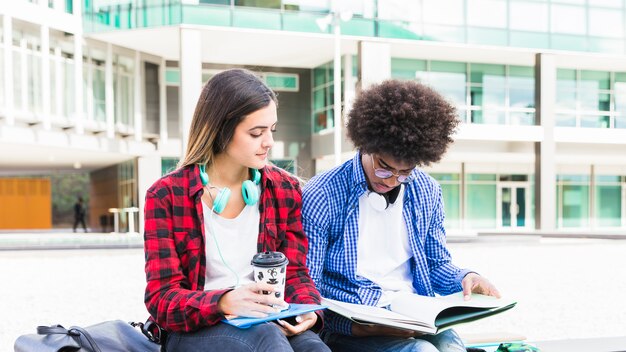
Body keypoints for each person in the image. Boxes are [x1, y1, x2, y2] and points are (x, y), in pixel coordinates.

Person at [302, 79, 501, 352]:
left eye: (405, 172)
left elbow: (436, 265)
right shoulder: (323, 193)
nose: (392, 180)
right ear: (367, 145)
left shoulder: (427, 191)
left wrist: (466, 277)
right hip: (353, 325)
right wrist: (355, 327)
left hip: (413, 314)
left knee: (450, 343)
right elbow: (308, 284)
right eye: (384, 168)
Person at [143, 69, 329, 352]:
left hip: (268, 319)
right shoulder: (167, 195)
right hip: (196, 329)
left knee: (313, 347)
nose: (269, 142)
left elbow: (295, 273)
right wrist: (223, 301)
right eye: (256, 133)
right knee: (268, 340)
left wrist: (309, 309)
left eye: (271, 130)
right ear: (221, 129)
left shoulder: (284, 189)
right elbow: (162, 298)